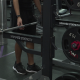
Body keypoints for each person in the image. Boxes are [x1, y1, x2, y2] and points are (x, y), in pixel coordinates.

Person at [11, 0, 42, 75]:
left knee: (30, 38)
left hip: (29, 10)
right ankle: (17, 64)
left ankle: (31, 65)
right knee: (20, 39)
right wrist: (18, 16)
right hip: (19, 11)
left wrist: (42, 12)